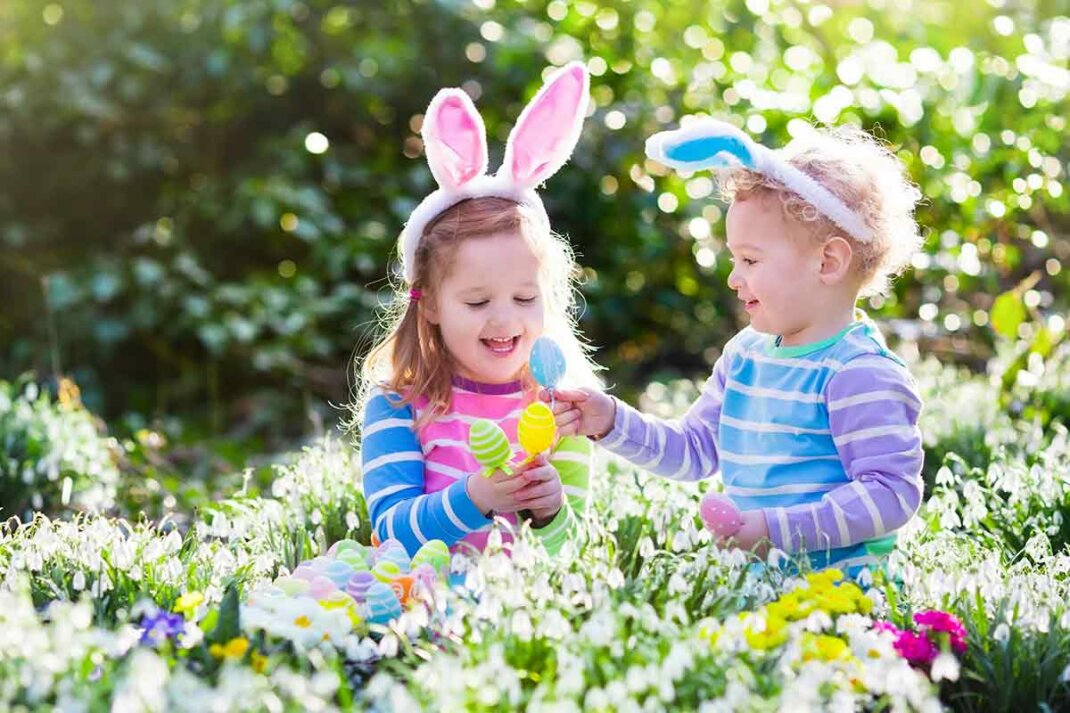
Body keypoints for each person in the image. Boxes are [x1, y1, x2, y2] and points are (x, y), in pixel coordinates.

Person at [553, 120, 925, 577]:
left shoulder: (858, 373)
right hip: (755, 589)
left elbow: (890, 494)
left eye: (750, 260)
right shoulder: (746, 355)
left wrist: (776, 530)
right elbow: (692, 450)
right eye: (735, 259)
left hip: (840, 598)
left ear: (827, 261)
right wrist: (610, 420)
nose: (734, 277)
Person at [355, 62, 600, 557]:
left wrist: (552, 511)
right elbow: (391, 531)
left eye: (525, 298)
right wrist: (476, 497)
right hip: (419, 600)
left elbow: (575, 555)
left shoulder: (560, 412)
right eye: (477, 300)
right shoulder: (401, 408)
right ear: (429, 305)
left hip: (516, 614)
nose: (505, 318)